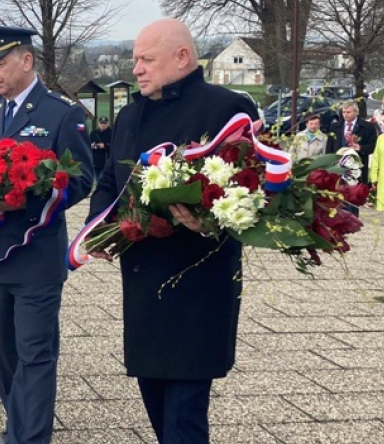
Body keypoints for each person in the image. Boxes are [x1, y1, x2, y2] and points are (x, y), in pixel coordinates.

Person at [86, 19, 259, 444]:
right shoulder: (128, 115)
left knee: (184, 416)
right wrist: (99, 226)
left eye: (147, 59)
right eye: (135, 60)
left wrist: (211, 221)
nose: (138, 69)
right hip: (144, 279)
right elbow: (110, 181)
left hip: (198, 282)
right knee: (157, 404)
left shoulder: (227, 108)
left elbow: (252, 191)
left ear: (182, 57)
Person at [0, 25, 94, 444]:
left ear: (25, 60)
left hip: (36, 256)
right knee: (8, 357)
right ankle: (16, 427)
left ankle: (27, 439)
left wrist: (30, 199)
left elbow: (82, 179)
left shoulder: (61, 112)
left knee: (36, 355)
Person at [326, 101, 377, 183]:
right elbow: (329, 147)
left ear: (356, 112)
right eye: (344, 112)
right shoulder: (334, 127)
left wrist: (361, 148)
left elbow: (373, 146)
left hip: (358, 168)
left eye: (348, 112)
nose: (345, 114)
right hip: (337, 167)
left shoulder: (367, 127)